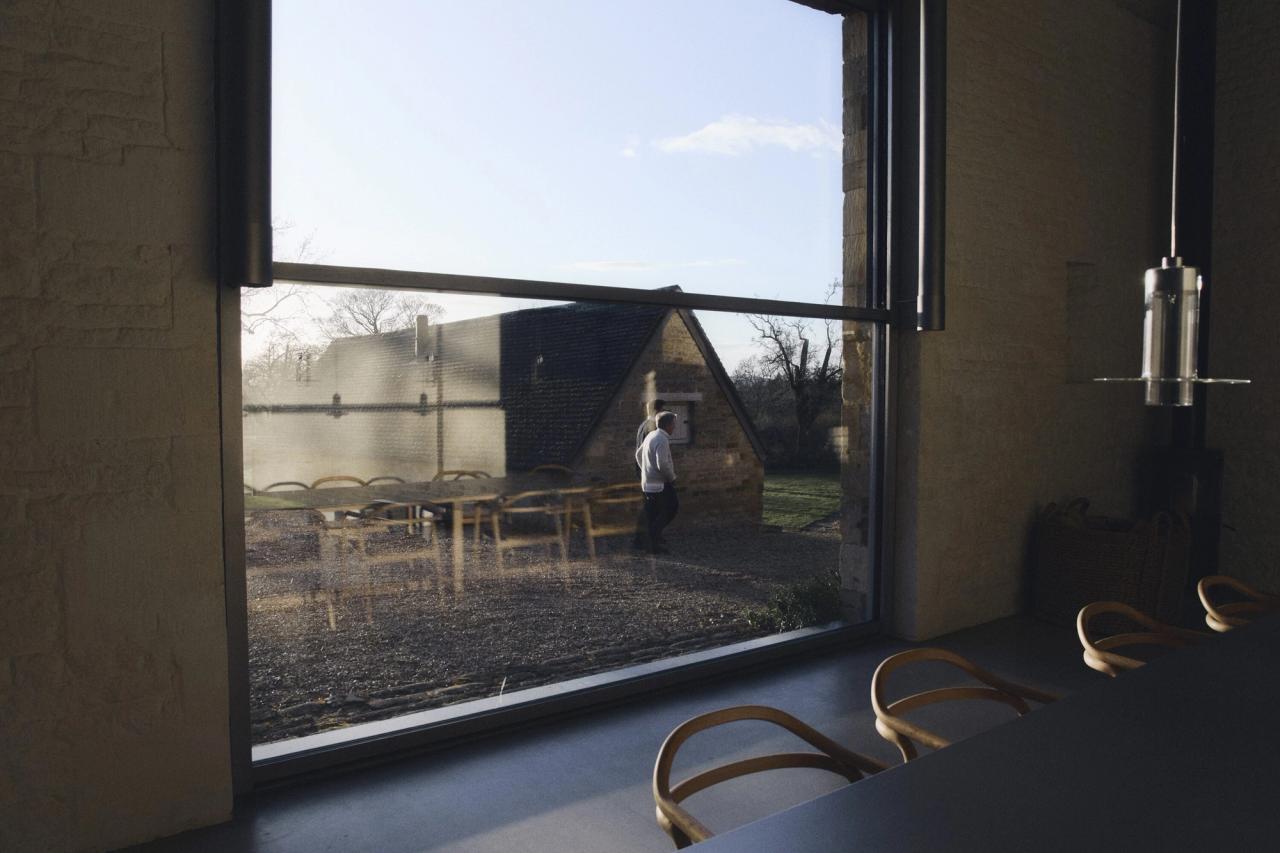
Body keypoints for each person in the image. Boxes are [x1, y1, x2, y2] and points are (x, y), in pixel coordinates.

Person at [633, 411, 679, 554]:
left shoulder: (652, 435)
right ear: (668, 425)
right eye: (673, 424)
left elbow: (638, 454)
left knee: (652, 512)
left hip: (648, 483)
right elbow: (663, 464)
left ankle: (644, 541)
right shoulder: (662, 439)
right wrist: (672, 478)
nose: (674, 427)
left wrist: (646, 471)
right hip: (660, 484)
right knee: (670, 509)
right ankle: (652, 542)